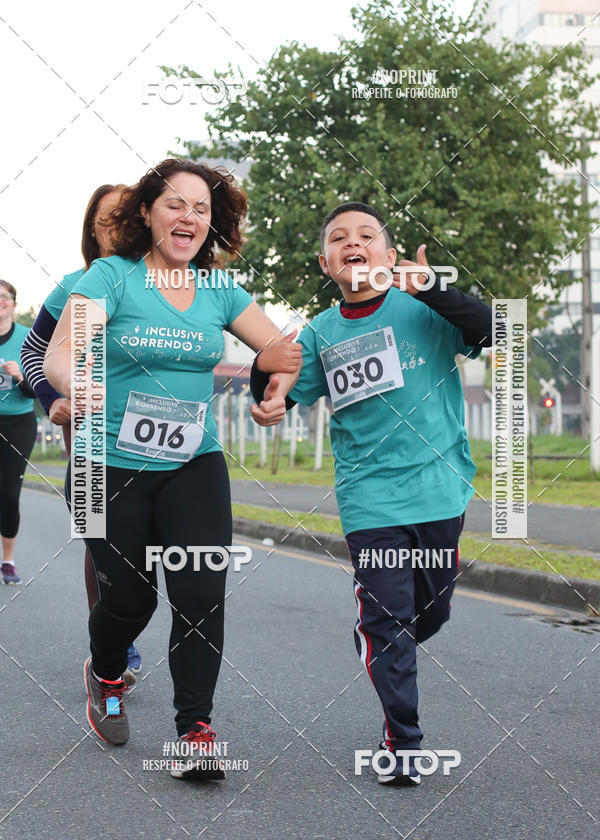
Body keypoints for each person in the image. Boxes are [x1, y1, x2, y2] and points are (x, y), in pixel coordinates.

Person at [43, 158, 299, 780]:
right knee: (128, 600)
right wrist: (75, 386)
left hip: (193, 461)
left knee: (201, 591)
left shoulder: (219, 290)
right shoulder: (111, 277)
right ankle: (105, 671)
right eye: (176, 204)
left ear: (212, 224)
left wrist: (277, 390)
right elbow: (59, 352)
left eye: (202, 208)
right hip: (104, 462)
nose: (189, 216)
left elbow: (277, 346)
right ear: (147, 214)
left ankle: (196, 729)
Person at [250, 202, 493, 786]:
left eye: (366, 236)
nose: (352, 243)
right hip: (370, 499)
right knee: (391, 621)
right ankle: (404, 740)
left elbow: (492, 328)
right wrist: (267, 394)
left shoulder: (423, 308)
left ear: (389, 254)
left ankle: (381, 632)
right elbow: (282, 386)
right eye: (338, 238)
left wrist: (433, 287)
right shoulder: (321, 333)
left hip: (440, 491)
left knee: (425, 617)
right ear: (326, 262)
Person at [20, 184, 142, 684]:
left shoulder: (164, 282)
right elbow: (33, 353)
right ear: (92, 227)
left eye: (125, 215)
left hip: (158, 442)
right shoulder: (81, 284)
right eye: (104, 217)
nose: (115, 225)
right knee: (103, 544)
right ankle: (116, 652)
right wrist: (56, 401)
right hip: (91, 441)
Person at [0, 280, 38, 585]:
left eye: (5, 296)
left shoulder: (28, 338)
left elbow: (37, 390)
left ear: (14, 302)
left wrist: (21, 376)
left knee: (8, 494)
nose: (0, 301)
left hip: (18, 423)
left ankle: (8, 561)